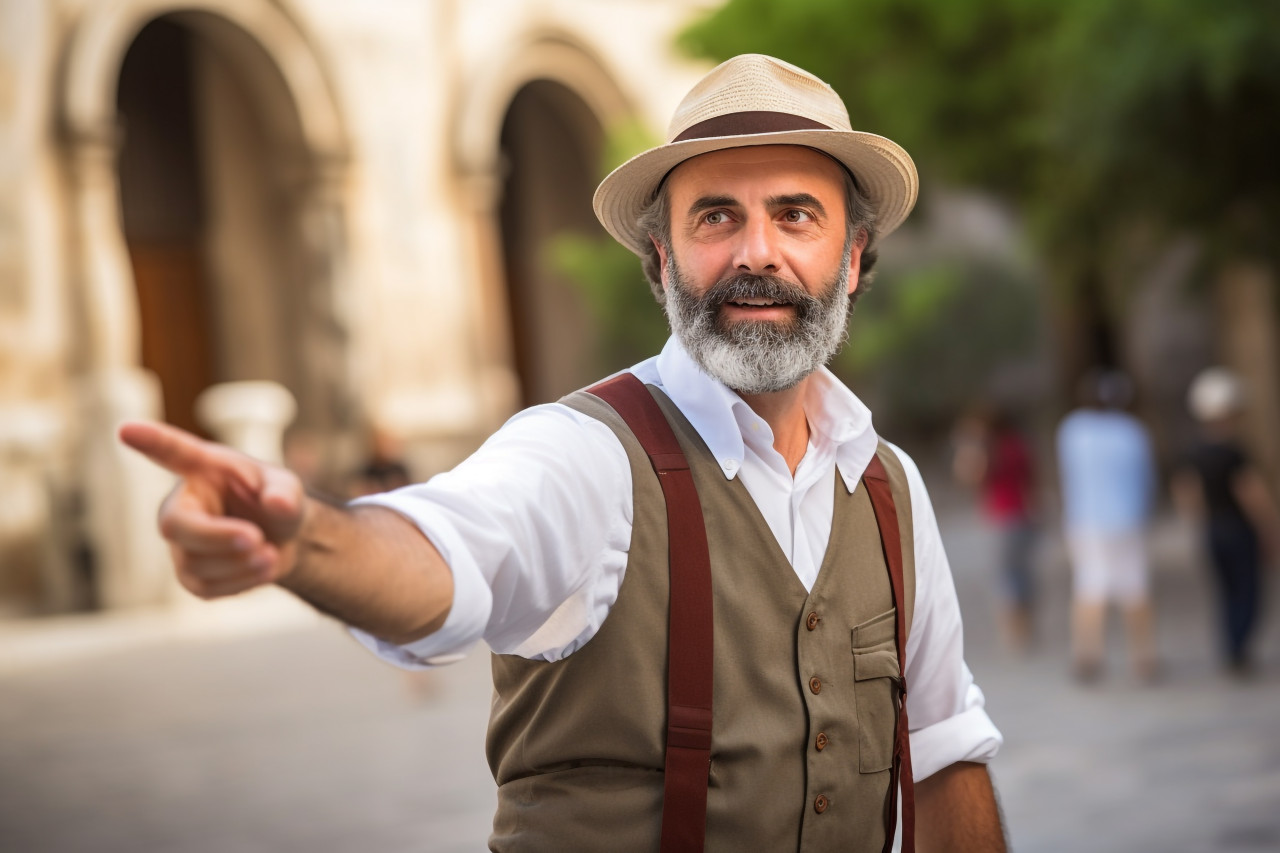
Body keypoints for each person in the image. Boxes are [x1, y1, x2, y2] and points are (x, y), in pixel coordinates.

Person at [120, 54, 1005, 852]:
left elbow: (940, 750)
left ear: (852, 260)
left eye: (796, 215)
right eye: (716, 217)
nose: (757, 252)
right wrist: (305, 539)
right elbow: (451, 549)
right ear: (662, 262)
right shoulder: (585, 456)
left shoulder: (889, 485)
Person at [1173, 368, 1279, 676]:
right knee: (1248, 590)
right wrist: (1270, 526)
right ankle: (1238, 648)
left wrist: (1201, 521)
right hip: (1238, 528)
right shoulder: (1235, 451)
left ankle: (1231, 646)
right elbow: (1251, 493)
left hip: (1213, 528)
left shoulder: (1192, 451)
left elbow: (1185, 494)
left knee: (1225, 592)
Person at [1056, 369, 1158, 682]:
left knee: (1089, 587)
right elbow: (1146, 479)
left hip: (1085, 521)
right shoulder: (1133, 431)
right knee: (1135, 587)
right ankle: (1143, 656)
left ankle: (1088, 654)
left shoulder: (1072, 429)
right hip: (1127, 520)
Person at [953, 407, 1039, 650]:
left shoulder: (989, 449)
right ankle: (1028, 629)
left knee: (1005, 577)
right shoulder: (1019, 444)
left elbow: (969, 476)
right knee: (1024, 574)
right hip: (1024, 514)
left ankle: (1012, 634)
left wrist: (968, 444)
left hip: (1001, 517)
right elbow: (1032, 478)